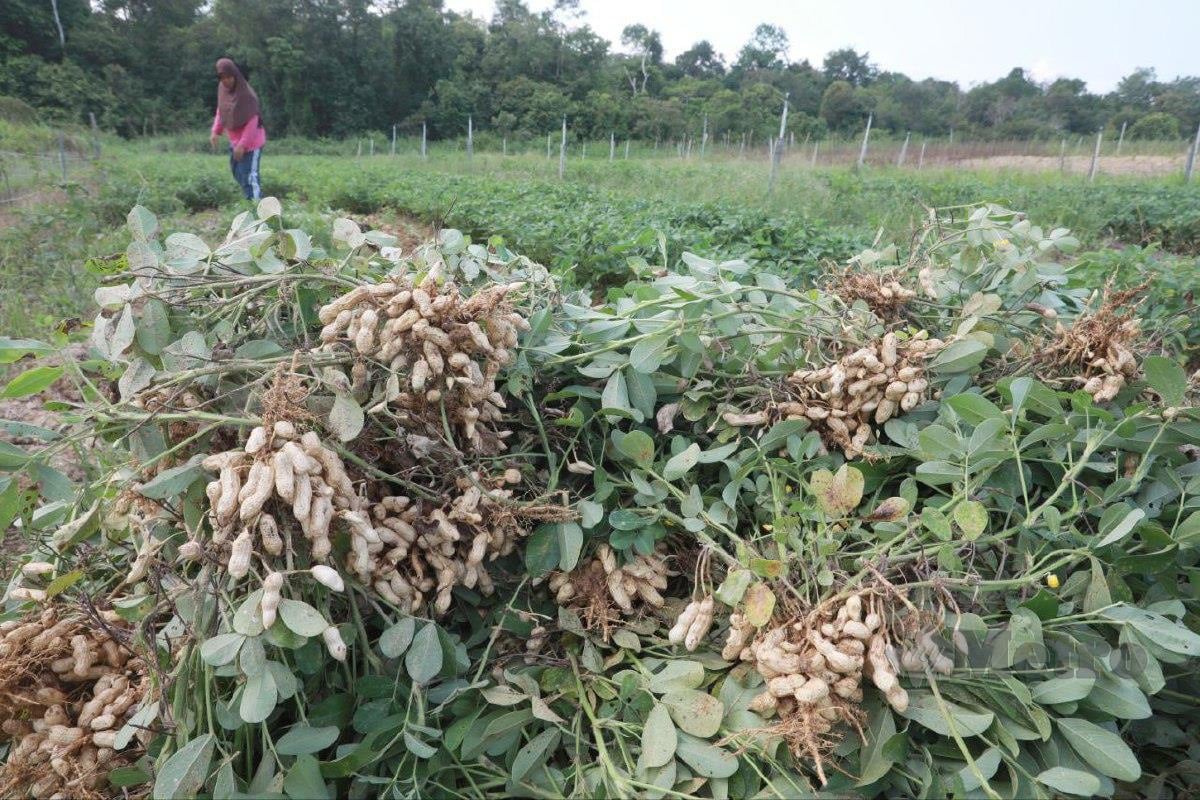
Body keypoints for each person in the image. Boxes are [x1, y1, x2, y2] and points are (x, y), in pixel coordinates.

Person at [209, 58, 266, 200]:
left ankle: (257, 209)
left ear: (235, 75)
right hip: (235, 142)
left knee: (249, 176)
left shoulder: (247, 95)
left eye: (229, 77)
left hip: (251, 144)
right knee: (238, 174)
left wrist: (242, 145)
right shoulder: (223, 90)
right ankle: (256, 200)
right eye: (222, 78)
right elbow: (221, 111)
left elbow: (253, 121)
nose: (226, 81)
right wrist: (216, 131)